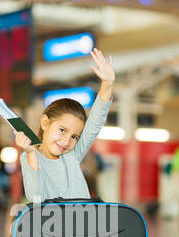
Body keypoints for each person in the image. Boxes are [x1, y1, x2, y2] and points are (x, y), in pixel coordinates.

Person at [14, 48, 115, 202]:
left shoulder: (72, 156)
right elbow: (36, 197)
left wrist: (107, 84)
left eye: (74, 136)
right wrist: (31, 153)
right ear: (45, 123)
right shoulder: (29, 157)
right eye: (62, 130)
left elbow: (95, 123)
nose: (67, 141)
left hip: (86, 225)